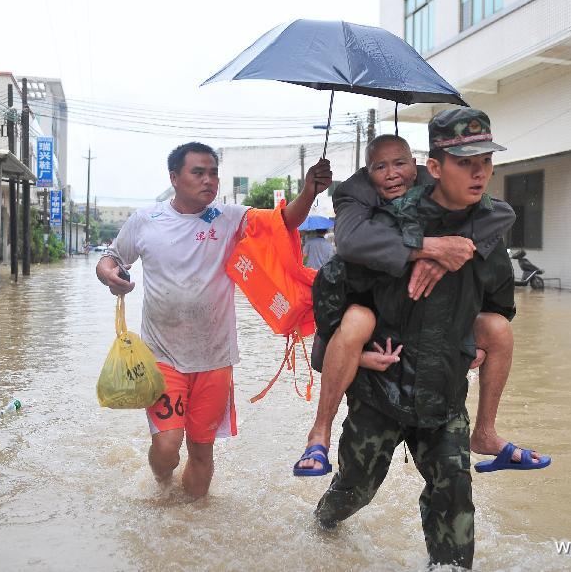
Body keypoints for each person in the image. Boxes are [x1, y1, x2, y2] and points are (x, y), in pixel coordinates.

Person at [311, 108, 525, 568]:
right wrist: (422, 252)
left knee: (456, 506)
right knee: (354, 491)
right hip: (380, 392)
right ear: (435, 169)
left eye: (485, 161)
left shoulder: (487, 233)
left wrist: (480, 345)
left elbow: (500, 308)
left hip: (443, 395)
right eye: (465, 162)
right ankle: (322, 525)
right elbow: (334, 292)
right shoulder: (386, 224)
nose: (479, 172)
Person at [295, 132, 547, 475]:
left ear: (418, 168)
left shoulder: (442, 193)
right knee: (353, 488)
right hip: (379, 341)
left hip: (434, 354)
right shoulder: (358, 203)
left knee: (498, 330)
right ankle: (319, 431)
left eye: (399, 163)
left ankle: (485, 432)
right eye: (379, 166)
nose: (391, 173)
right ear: (368, 172)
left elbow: (500, 216)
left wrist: (450, 252)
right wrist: (428, 248)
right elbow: (351, 247)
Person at [96, 142, 332, 499]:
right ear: (174, 178)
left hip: (215, 359)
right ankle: (160, 485)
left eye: (213, 173)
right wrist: (109, 274)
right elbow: (110, 258)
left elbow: (286, 221)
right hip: (162, 357)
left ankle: (193, 519)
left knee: (202, 449)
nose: (209, 180)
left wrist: (309, 191)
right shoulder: (146, 221)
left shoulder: (230, 218)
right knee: (166, 446)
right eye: (198, 172)